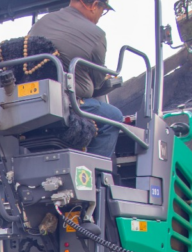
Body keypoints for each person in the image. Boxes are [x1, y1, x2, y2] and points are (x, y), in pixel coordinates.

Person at [29, 0, 123, 158]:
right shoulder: (97, 34)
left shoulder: (40, 24)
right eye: (103, 10)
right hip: (68, 104)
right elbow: (98, 82)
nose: (100, 16)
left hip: (34, 101)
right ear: (93, 5)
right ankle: (95, 173)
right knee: (113, 117)